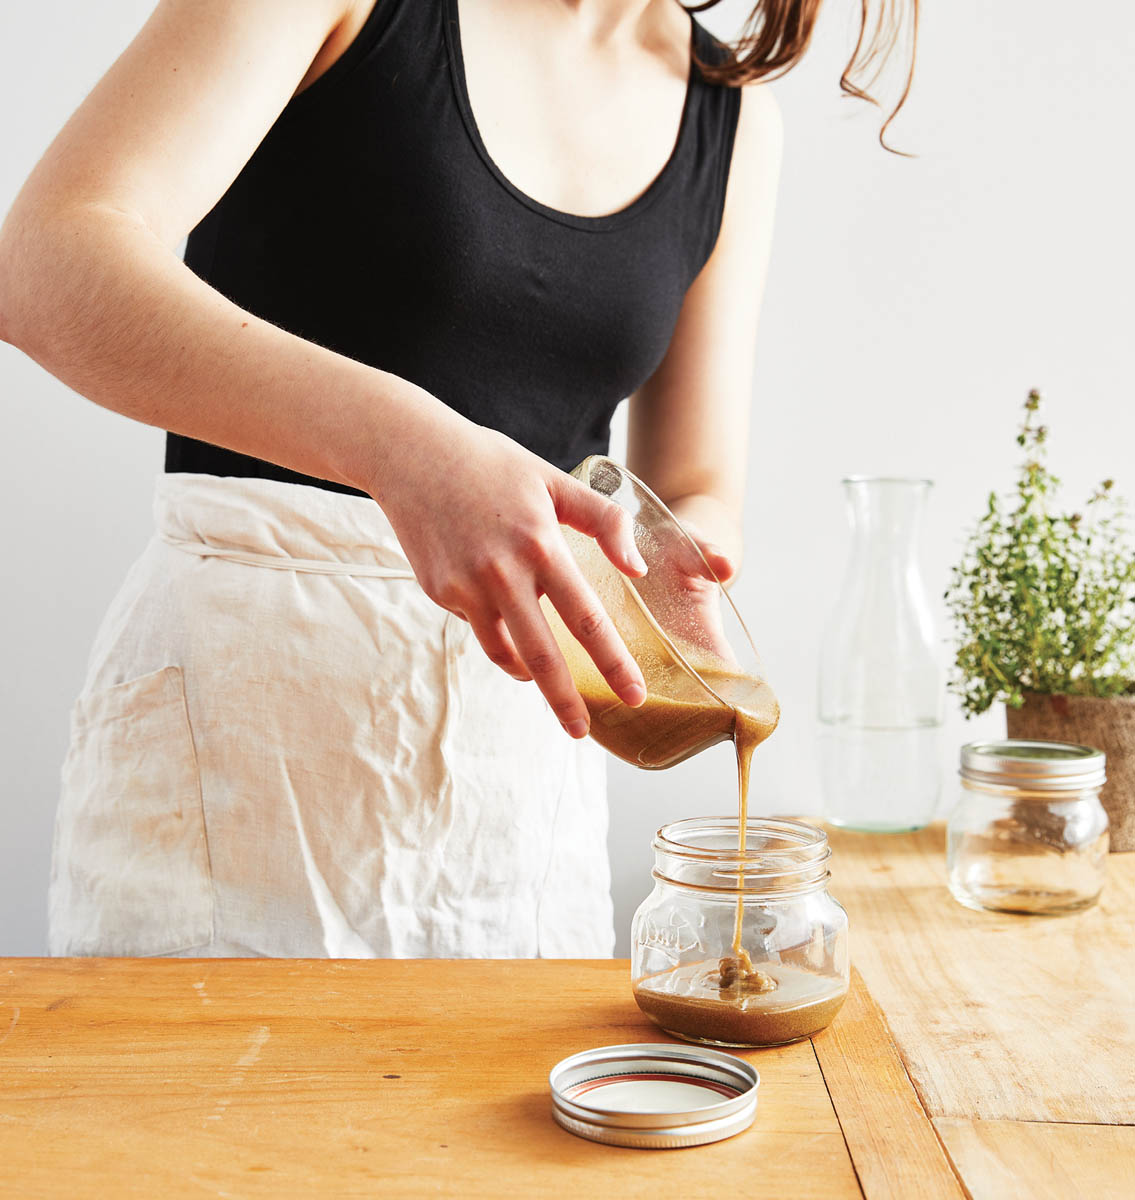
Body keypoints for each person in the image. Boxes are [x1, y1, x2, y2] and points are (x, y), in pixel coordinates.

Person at [0, 0, 916, 958]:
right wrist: (405, 448)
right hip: (242, 738)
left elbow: (693, 478)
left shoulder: (731, 121)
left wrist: (678, 557)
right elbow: (43, 264)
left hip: (511, 786)